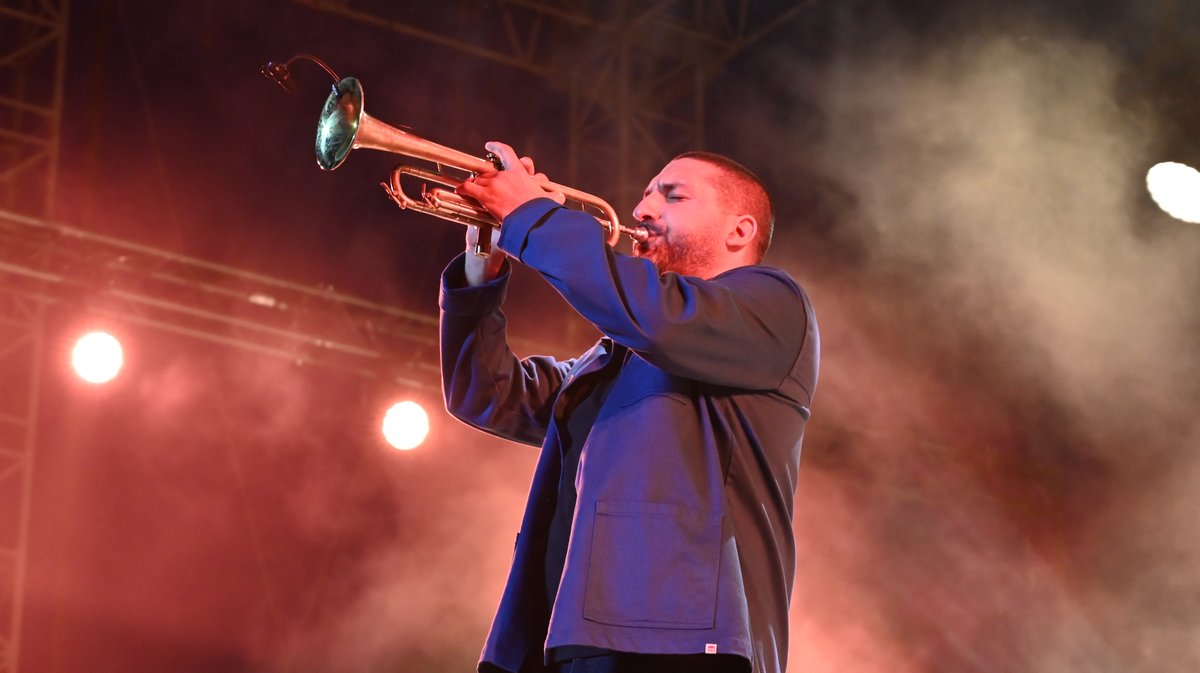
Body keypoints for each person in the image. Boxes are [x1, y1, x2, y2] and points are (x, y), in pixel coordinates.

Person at [440, 141, 819, 673]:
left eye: (673, 196)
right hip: (571, 636)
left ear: (740, 231)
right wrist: (485, 260)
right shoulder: (616, 356)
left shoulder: (772, 306)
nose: (641, 211)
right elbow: (486, 393)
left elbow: (655, 318)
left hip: (680, 637)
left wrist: (533, 217)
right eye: (644, 195)